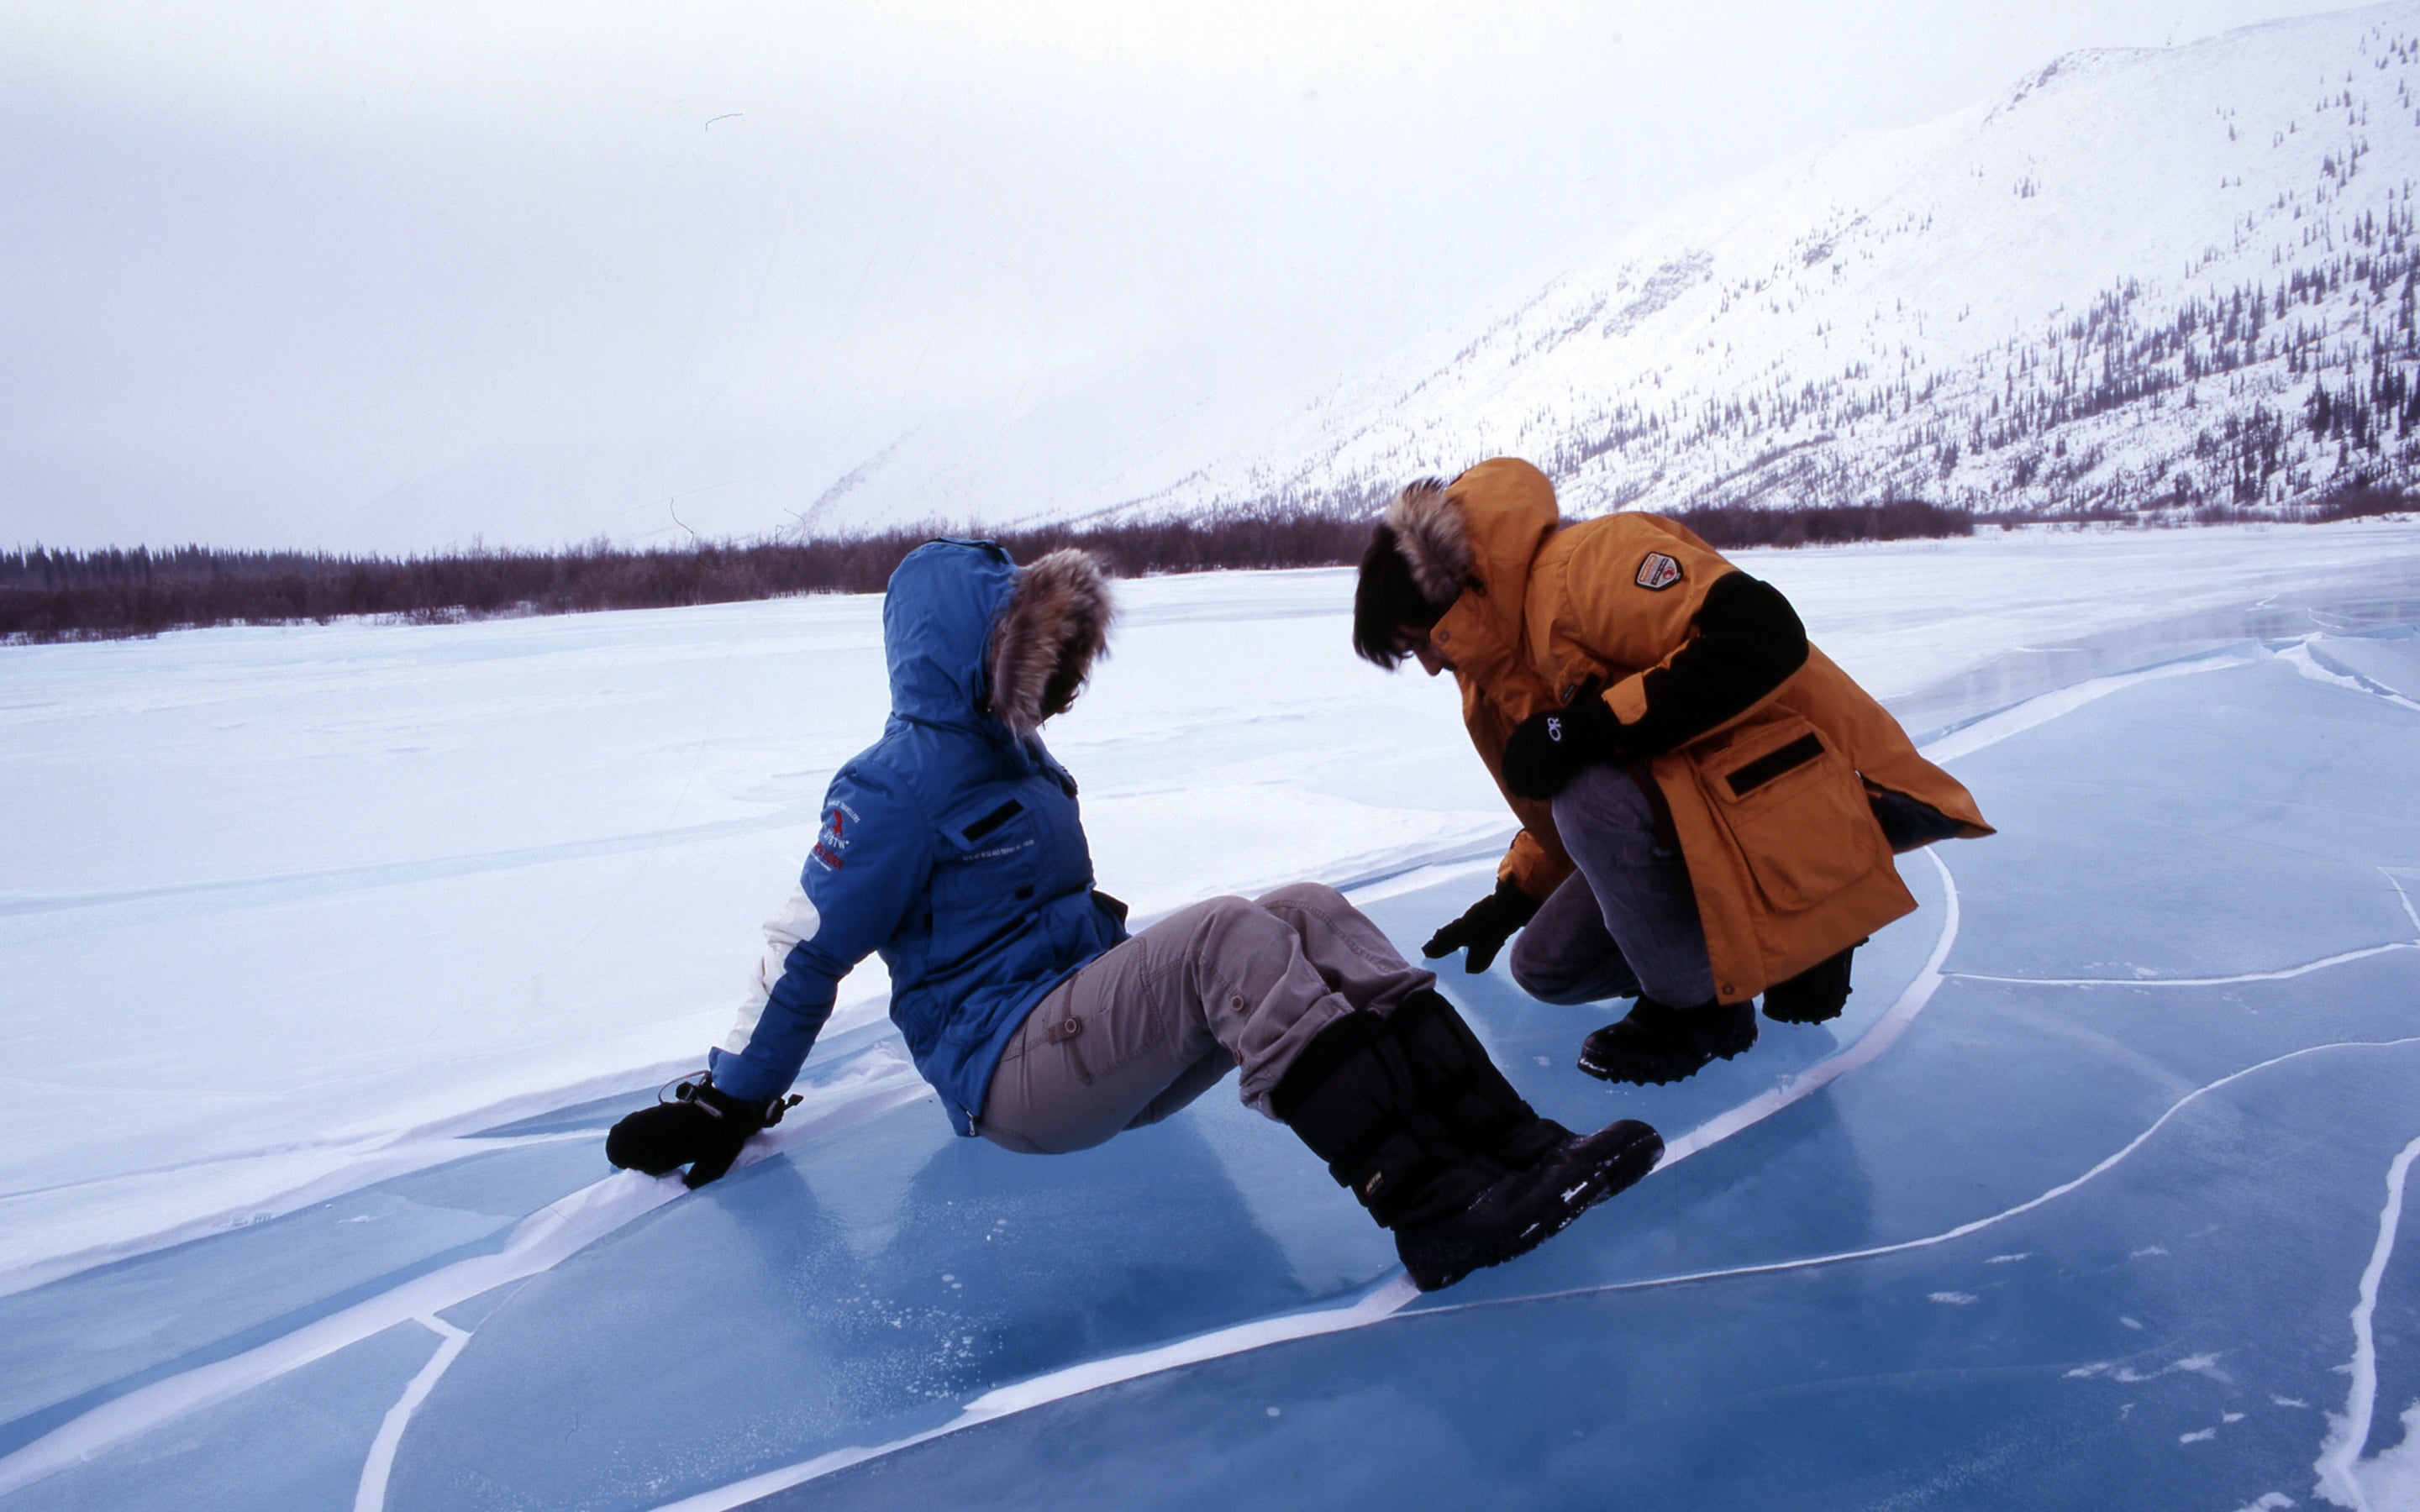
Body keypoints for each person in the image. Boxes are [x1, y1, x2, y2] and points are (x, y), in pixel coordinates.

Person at [607, 538, 1660, 1291]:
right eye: (1043, 657)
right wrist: (728, 1102)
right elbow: (805, 951)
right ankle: (1434, 1210)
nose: (1064, 682)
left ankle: (1520, 1151)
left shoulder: (1019, 761)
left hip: (1075, 1026)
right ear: (979, 650)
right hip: (1009, 1073)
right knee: (1223, 934)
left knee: (1308, 909)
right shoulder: (892, 787)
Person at [1351, 459, 1992, 1085]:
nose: (1431, 665)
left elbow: (1764, 636)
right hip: (1716, 805)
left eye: (1420, 642)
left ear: (1450, 594)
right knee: (1546, 967)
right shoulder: (1500, 671)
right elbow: (1598, 811)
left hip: (1833, 785)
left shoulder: (1586, 566)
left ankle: (1703, 1011)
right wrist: (1513, 896)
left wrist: (1588, 728)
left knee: (1586, 785)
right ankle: (1779, 945)